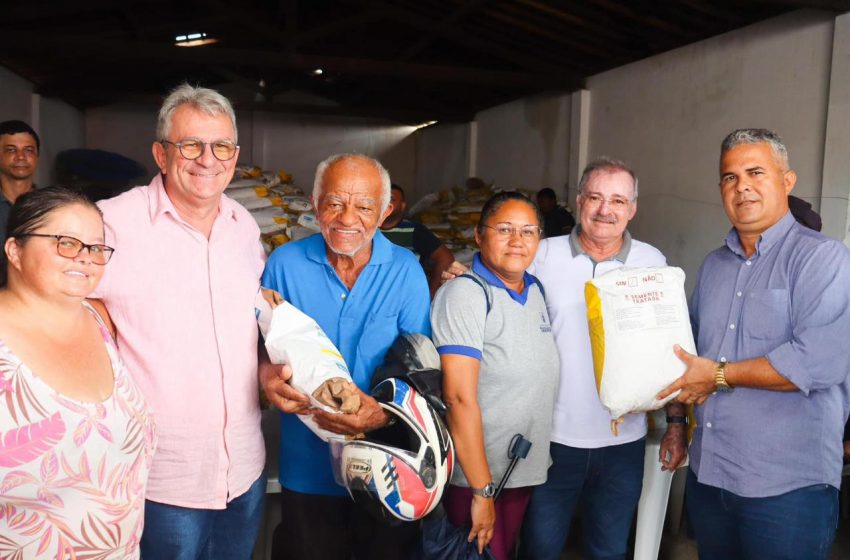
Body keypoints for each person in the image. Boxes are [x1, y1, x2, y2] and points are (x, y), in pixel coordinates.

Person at [91, 84, 268, 557]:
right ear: (161, 154)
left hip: (245, 467)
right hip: (161, 475)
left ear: (235, 154)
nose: (207, 159)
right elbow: (64, 312)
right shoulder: (110, 224)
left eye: (222, 146)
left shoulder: (243, 227)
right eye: (190, 144)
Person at [658, 129, 850, 560]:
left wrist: (719, 375)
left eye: (755, 172)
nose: (741, 185)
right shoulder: (713, 266)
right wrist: (675, 423)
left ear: (787, 180)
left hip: (787, 490)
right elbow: (684, 352)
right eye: (729, 177)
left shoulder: (823, 259)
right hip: (711, 479)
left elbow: (818, 362)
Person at [260, 153, 431, 560]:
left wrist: (381, 414)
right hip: (307, 463)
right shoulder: (285, 263)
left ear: (385, 211)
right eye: (334, 202)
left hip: (388, 463)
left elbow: (420, 365)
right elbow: (260, 346)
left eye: (364, 206)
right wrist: (268, 379)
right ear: (315, 205)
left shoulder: (406, 270)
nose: (347, 217)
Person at [520, 158, 688, 560]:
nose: (605, 210)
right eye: (595, 197)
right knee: (540, 547)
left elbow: (672, 348)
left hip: (622, 443)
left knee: (609, 549)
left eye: (617, 200)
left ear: (632, 208)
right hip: (552, 439)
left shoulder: (652, 263)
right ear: (579, 201)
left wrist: (676, 424)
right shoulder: (540, 255)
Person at [0, 187, 156, 558]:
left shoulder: (99, 320)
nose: (86, 258)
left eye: (96, 248)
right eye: (66, 243)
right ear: (15, 250)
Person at [431, 191, 559, 559]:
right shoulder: (466, 295)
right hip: (478, 476)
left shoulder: (535, 291)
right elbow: (457, 397)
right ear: (478, 235)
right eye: (504, 229)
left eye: (528, 231)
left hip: (518, 470)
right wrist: (481, 490)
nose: (517, 241)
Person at [380, 183, 455, 297]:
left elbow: (445, 258)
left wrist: (431, 294)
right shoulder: (368, 229)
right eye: (383, 199)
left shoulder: (414, 230)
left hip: (405, 298)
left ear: (403, 205)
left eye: (391, 199)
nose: (386, 204)